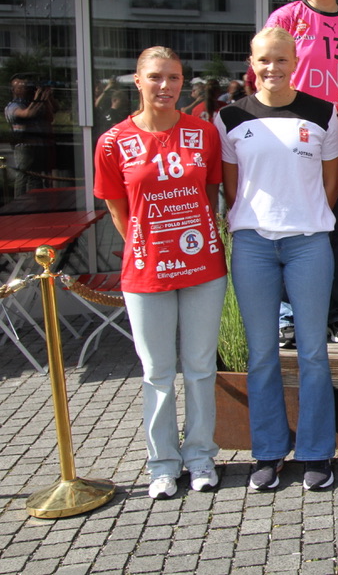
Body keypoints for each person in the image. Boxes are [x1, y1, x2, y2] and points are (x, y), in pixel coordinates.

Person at [94, 46, 227, 499]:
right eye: (155, 76)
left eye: (173, 77)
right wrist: (152, 242)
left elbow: (210, 193)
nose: (165, 85)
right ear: (138, 81)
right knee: (156, 371)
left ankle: (201, 455)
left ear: (183, 81)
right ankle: (163, 463)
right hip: (147, 269)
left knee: (200, 366)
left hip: (202, 264)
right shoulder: (113, 141)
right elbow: (119, 210)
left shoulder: (204, 132)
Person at [215, 27, 338, 492]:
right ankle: (267, 451)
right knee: (263, 353)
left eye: (281, 59)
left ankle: (315, 451)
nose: (273, 68)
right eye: (264, 60)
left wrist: (304, 216)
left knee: (313, 352)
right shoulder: (230, 117)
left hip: (308, 243)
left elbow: (330, 184)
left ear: (295, 62)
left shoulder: (323, 113)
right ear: (252, 63)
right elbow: (232, 188)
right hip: (253, 244)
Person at [266, 0, 338, 347]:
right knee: (292, 227)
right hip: (295, 139)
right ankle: (288, 315)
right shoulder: (286, 19)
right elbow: (264, 75)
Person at [5, 73, 56, 196]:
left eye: (27, 86)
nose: (26, 89)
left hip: (39, 144)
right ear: (13, 90)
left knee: (36, 176)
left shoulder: (34, 104)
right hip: (24, 146)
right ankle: (19, 201)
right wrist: (38, 98)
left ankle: (36, 199)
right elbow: (28, 114)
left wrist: (46, 98)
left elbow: (50, 117)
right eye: (21, 86)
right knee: (23, 175)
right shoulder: (12, 106)